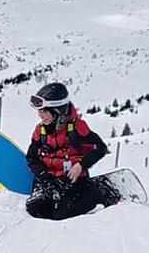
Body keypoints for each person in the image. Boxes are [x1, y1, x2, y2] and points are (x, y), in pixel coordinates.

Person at [25, 82, 119, 220]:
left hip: (72, 179)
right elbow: (31, 158)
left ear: (57, 111)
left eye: (44, 111)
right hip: (48, 179)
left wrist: (81, 165)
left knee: (61, 214)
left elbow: (100, 148)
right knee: (36, 210)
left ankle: (100, 190)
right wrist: (44, 176)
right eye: (39, 111)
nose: (40, 115)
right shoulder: (40, 130)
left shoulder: (77, 128)